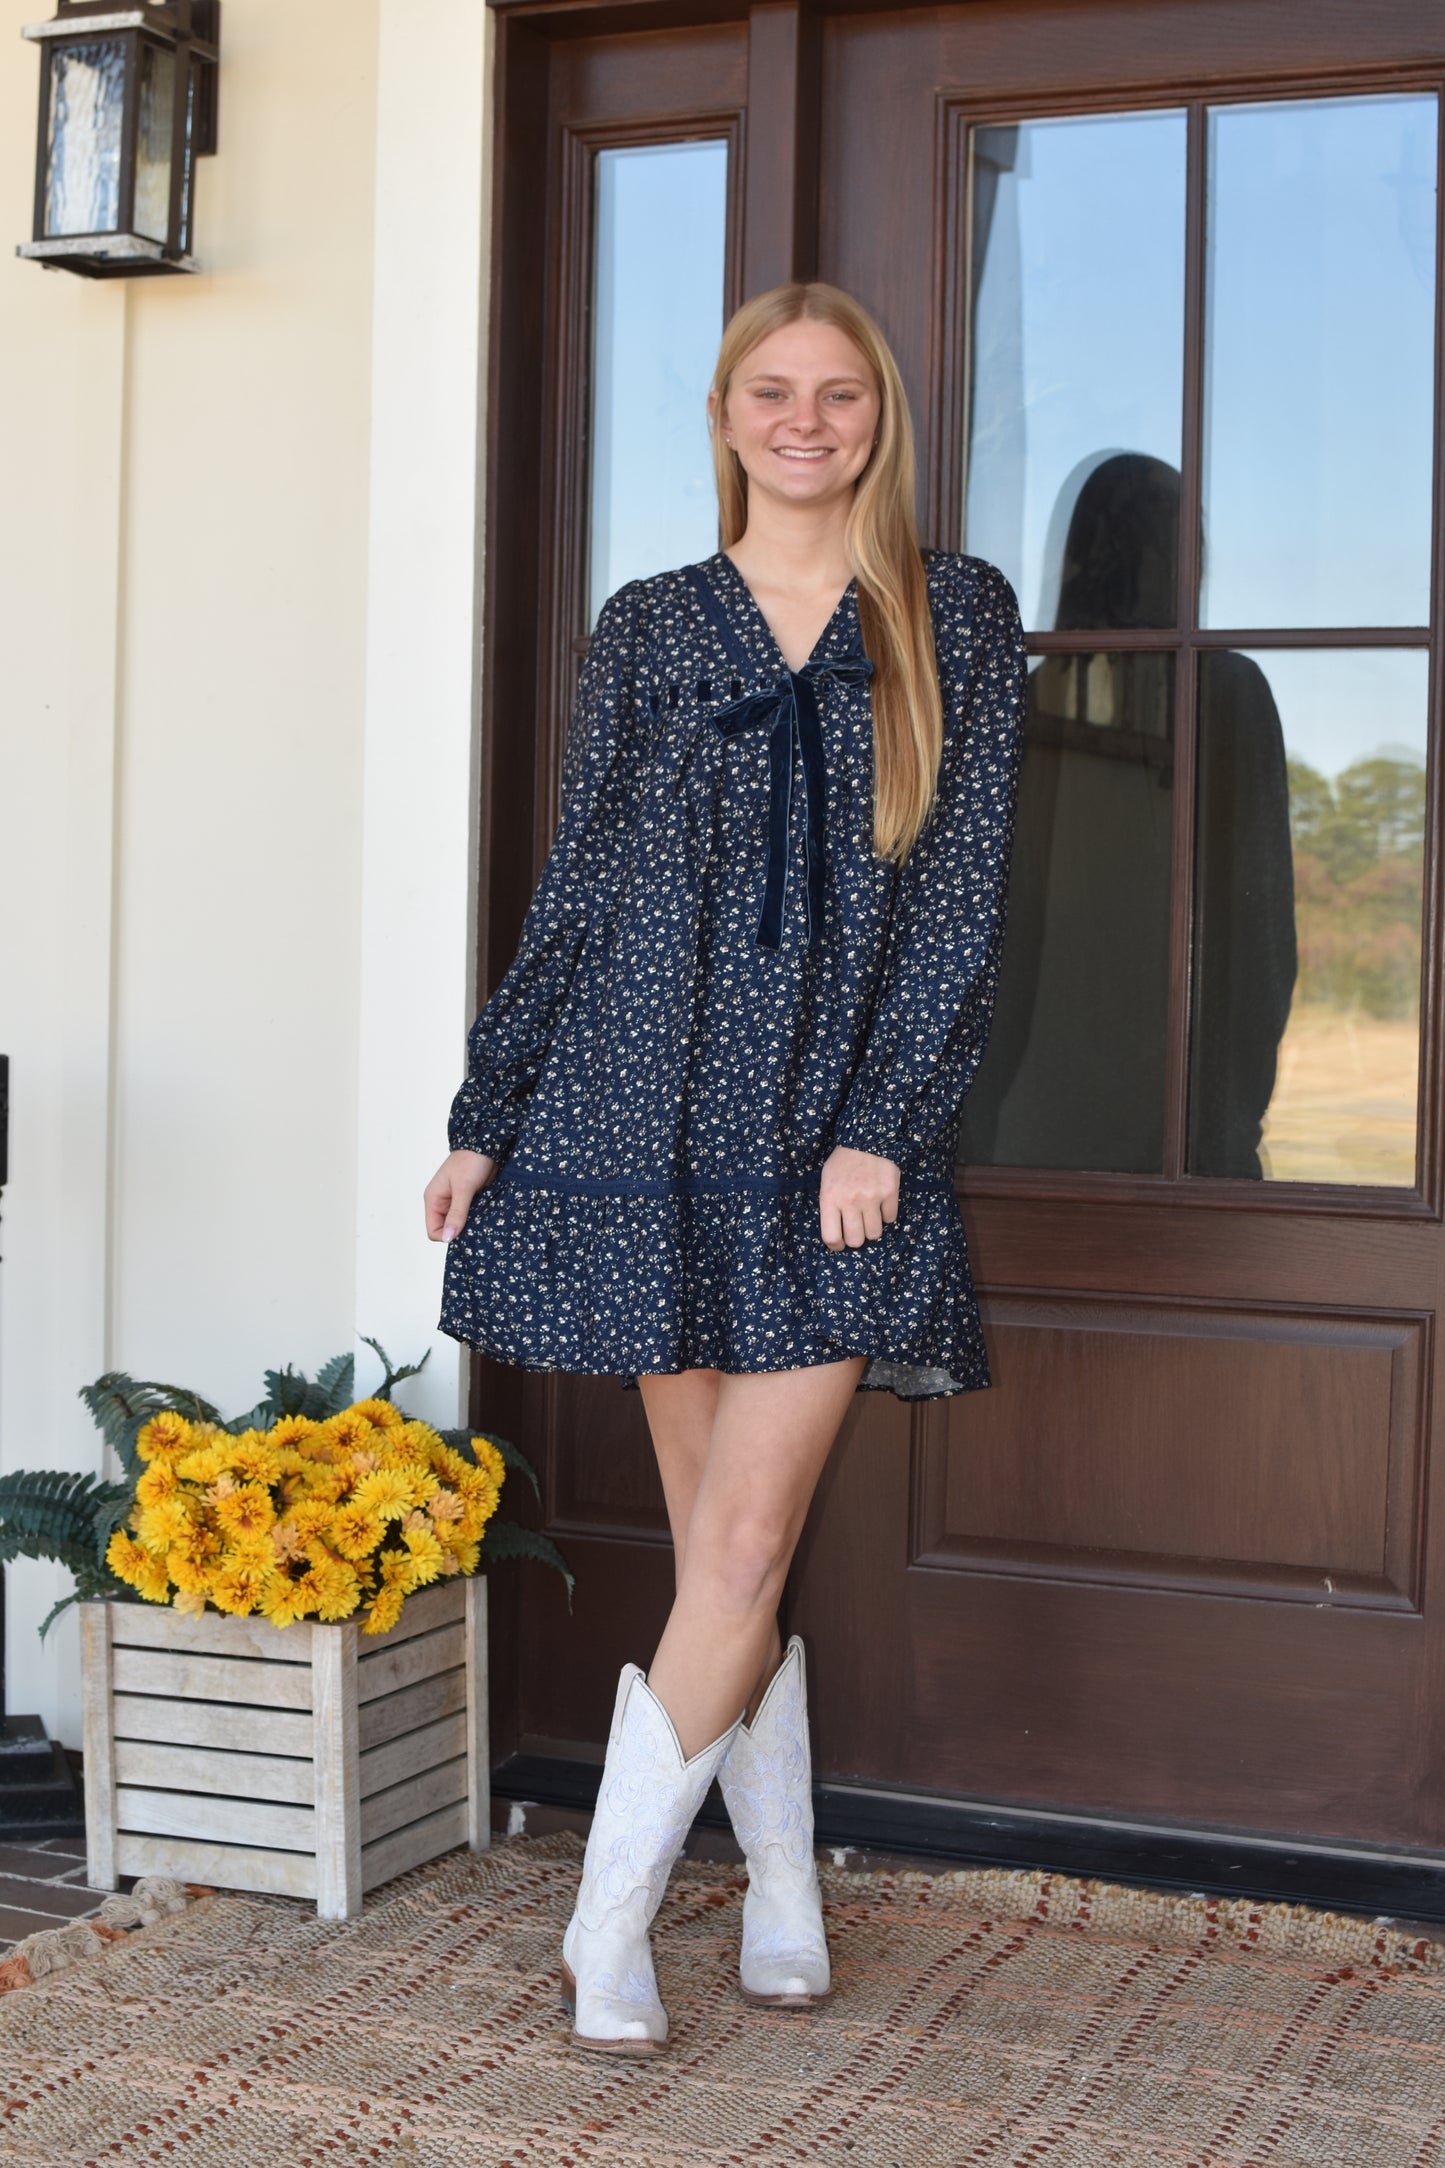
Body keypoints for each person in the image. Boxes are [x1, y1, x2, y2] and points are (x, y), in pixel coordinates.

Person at [424, 282, 1026, 2057]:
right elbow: (584, 884)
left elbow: (961, 904)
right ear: (723, 414)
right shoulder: (648, 621)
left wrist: (884, 1126)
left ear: (877, 421)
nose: (806, 421)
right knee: (720, 1563)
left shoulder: (953, 617)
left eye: (839, 396)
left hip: (826, 1140)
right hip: (638, 1114)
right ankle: (779, 1891)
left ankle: (598, 1938)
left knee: (746, 1540)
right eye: (772, 393)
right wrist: (488, 1105)